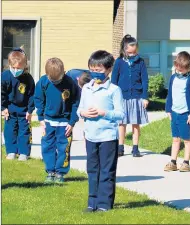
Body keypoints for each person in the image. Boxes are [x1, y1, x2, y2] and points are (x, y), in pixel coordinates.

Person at [77, 50, 124, 212]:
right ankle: (92, 203)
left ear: (109, 69)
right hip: (91, 136)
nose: (95, 73)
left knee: (106, 170)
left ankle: (104, 204)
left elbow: (121, 114)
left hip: (108, 137)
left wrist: (105, 113)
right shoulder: (86, 89)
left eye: (99, 70)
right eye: (92, 69)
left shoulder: (114, 90)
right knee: (92, 170)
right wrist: (83, 113)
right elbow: (80, 109)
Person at [34, 57, 80, 183]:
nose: (55, 82)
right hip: (48, 122)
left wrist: (72, 122)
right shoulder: (43, 82)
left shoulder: (70, 83)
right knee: (47, 146)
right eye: (52, 80)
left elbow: (76, 103)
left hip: (65, 123)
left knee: (63, 147)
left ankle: (60, 172)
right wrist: (41, 119)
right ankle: (50, 171)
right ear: (47, 75)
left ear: (63, 73)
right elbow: (39, 100)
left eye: (57, 80)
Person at [111, 34, 149, 157]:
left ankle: (135, 148)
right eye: (130, 52)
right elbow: (114, 81)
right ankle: (120, 148)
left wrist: (145, 97)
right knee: (122, 123)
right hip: (122, 98)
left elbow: (145, 80)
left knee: (135, 123)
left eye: (135, 52)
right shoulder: (119, 62)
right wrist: (112, 98)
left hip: (137, 97)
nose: (133, 54)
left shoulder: (140, 62)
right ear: (124, 50)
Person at [164, 51, 190, 172]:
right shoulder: (173, 78)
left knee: (187, 139)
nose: (179, 71)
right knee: (175, 139)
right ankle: (173, 162)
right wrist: (168, 109)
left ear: (189, 68)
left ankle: (186, 162)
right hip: (174, 113)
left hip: (186, 114)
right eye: (178, 69)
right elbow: (170, 94)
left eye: (182, 70)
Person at [1, 47, 35, 161]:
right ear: (9, 65)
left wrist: (30, 111)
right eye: (13, 68)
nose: (16, 70)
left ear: (24, 66)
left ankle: (24, 153)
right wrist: (3, 107)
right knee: (9, 131)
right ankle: (11, 151)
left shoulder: (28, 79)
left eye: (18, 68)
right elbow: (2, 93)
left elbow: (32, 96)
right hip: (10, 110)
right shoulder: (5, 76)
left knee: (24, 131)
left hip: (24, 110)